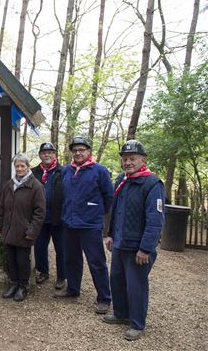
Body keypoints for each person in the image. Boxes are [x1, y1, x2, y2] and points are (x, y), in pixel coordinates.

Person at [104, 140, 165, 341]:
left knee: (136, 286)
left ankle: (137, 324)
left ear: (142, 160)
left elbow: (155, 220)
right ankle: (121, 314)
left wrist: (146, 249)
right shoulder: (122, 179)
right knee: (117, 280)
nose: (128, 162)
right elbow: (116, 210)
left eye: (132, 159)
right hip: (121, 242)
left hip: (138, 247)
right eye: (125, 159)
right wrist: (110, 234)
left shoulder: (152, 183)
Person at [54, 136, 113, 315]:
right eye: (75, 150)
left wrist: (95, 212)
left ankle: (104, 298)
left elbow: (109, 197)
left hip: (90, 225)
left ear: (88, 152)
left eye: (82, 150)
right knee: (71, 259)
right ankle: (73, 289)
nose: (78, 153)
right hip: (69, 223)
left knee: (96, 262)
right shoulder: (67, 171)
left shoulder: (100, 171)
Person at [0, 154, 45, 301]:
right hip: (9, 230)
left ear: (28, 167)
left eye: (23, 166)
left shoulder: (36, 186)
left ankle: (23, 286)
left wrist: (32, 232)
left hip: (24, 232)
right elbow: (2, 207)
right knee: (11, 259)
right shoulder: (9, 185)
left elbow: (40, 213)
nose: (20, 168)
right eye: (17, 166)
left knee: (22, 260)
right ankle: (13, 283)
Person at [32, 142, 66, 290]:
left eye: (50, 152)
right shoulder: (33, 172)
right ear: (40, 155)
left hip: (59, 217)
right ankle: (43, 271)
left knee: (61, 249)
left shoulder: (64, 171)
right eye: (44, 152)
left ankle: (61, 276)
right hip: (40, 218)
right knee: (40, 247)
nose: (47, 155)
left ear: (55, 155)